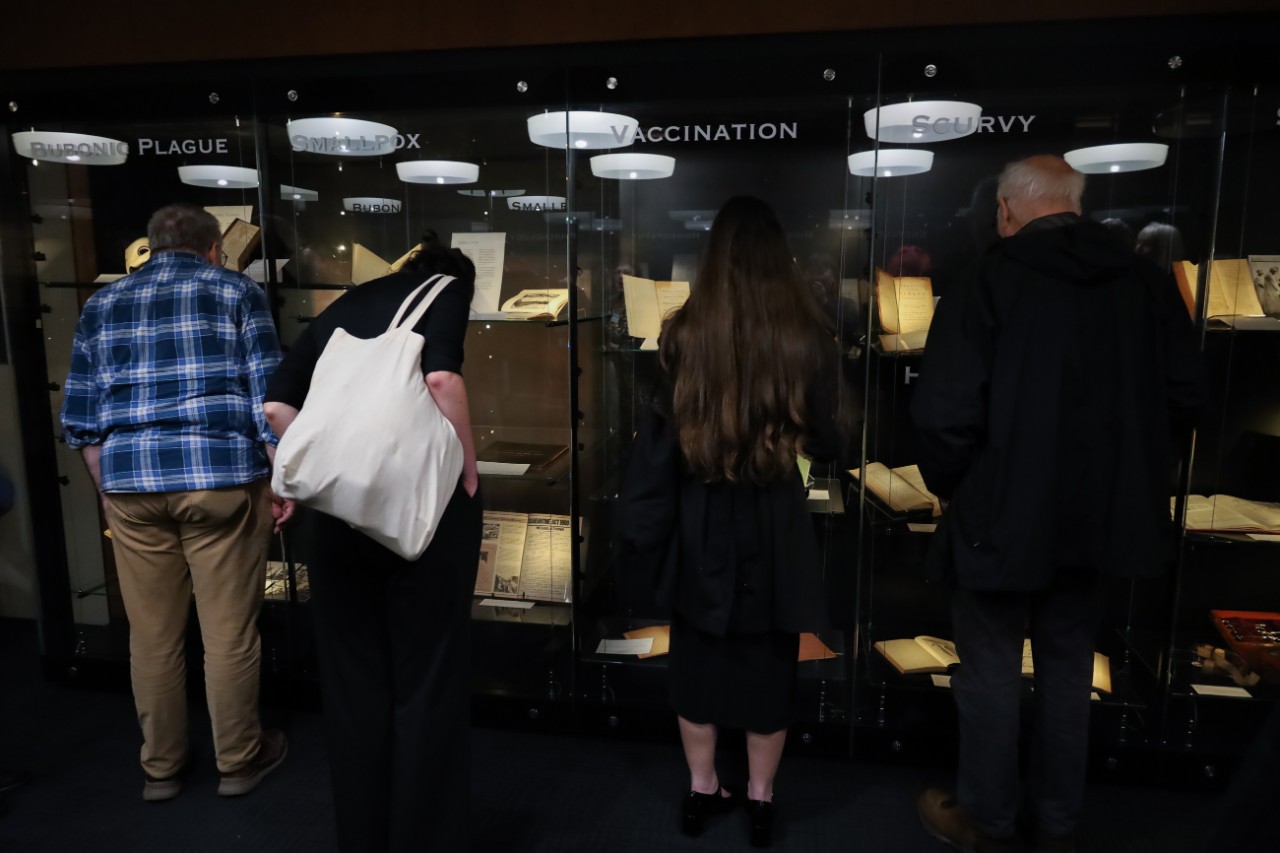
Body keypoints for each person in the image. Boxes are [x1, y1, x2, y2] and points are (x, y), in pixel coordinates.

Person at [910, 156, 1205, 853]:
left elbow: (945, 410)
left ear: (1005, 210)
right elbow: (1185, 397)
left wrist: (955, 485)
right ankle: (1059, 826)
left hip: (997, 516)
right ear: (1077, 205)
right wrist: (1128, 479)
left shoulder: (987, 277)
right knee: (1070, 670)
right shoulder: (1144, 279)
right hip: (1101, 518)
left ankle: (988, 822)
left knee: (989, 668)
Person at [620, 196, 848, 849]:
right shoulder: (806, 338)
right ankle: (761, 799)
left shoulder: (683, 335)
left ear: (713, 256)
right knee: (771, 666)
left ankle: (701, 789)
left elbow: (658, 447)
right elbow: (831, 441)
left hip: (699, 520)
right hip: (776, 522)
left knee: (695, 662)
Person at [60, 203, 291, 802]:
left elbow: (81, 415)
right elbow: (267, 397)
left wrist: (106, 489)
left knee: (152, 636)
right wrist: (281, 480)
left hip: (130, 482)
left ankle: (161, 769)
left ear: (152, 245)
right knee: (229, 633)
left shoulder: (102, 303)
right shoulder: (236, 291)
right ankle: (238, 761)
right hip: (220, 477)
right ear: (214, 248)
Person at [263, 231, 482, 853]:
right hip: (420, 514)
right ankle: (425, 838)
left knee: (353, 683)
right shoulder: (447, 289)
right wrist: (467, 468)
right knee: (426, 678)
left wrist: (330, 465)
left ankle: (363, 836)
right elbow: (442, 378)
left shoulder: (344, 305)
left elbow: (276, 408)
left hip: (335, 519)